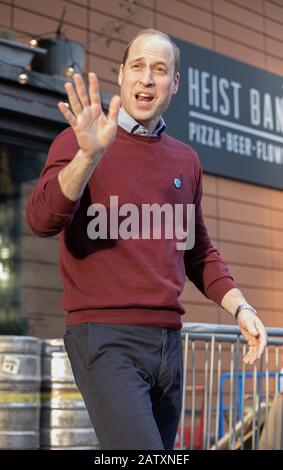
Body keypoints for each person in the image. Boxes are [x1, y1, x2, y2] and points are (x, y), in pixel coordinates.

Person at [26, 29, 267, 450]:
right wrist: (87, 157)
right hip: (104, 337)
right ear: (120, 75)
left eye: (160, 70)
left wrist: (241, 307)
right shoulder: (79, 141)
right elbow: (42, 219)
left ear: (175, 83)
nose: (147, 79)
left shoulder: (186, 160)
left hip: (168, 344)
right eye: (137, 67)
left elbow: (198, 251)